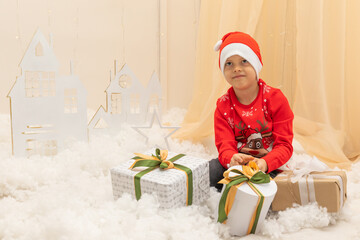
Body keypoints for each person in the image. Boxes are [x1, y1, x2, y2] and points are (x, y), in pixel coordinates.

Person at [209, 31, 294, 191]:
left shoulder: (276, 99)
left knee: (267, 186)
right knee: (211, 170)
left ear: (255, 64)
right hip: (237, 164)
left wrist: (265, 163)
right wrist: (232, 159)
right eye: (229, 63)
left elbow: (284, 145)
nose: (236, 69)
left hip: (268, 164)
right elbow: (224, 145)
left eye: (244, 61)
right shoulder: (223, 105)